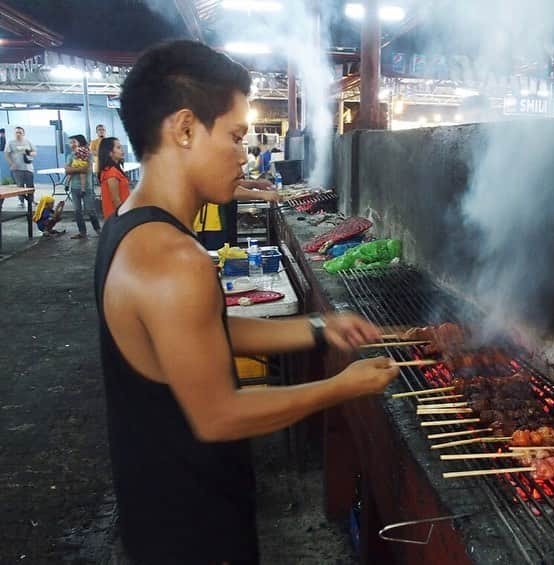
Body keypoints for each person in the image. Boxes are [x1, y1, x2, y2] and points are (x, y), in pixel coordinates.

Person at [96, 39, 399, 565]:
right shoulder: (174, 258)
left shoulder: (128, 225)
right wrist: (340, 386)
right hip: (193, 531)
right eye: (236, 136)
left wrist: (320, 329)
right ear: (185, 129)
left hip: (159, 514)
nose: (244, 153)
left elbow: (205, 334)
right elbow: (219, 415)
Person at [194, 179, 280, 251]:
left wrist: (256, 184)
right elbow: (226, 188)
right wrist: (262, 194)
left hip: (218, 223)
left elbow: (230, 182)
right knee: (215, 263)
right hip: (208, 226)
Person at [66, 134, 101, 239]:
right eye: (70, 142)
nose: (71, 144)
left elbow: (86, 169)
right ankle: (82, 232)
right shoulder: (70, 156)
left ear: (79, 142)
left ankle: (98, 230)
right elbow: (67, 171)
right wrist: (75, 169)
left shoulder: (88, 154)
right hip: (74, 187)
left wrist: (73, 169)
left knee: (90, 209)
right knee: (77, 211)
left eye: (73, 142)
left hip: (87, 187)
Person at [98, 137, 130, 219]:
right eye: (118, 147)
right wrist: (124, 218)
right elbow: (115, 200)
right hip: (117, 217)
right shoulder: (111, 172)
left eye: (121, 147)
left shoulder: (115, 170)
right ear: (110, 153)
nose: (122, 150)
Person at [4, 126, 36, 208]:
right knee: (20, 186)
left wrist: (30, 153)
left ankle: (31, 201)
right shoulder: (11, 143)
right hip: (17, 168)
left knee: (30, 186)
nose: (18, 134)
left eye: (20, 132)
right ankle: (21, 202)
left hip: (28, 167)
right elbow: (7, 154)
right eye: (16, 132)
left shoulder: (28, 142)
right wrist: (11, 164)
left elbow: (34, 152)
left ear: (23, 133)